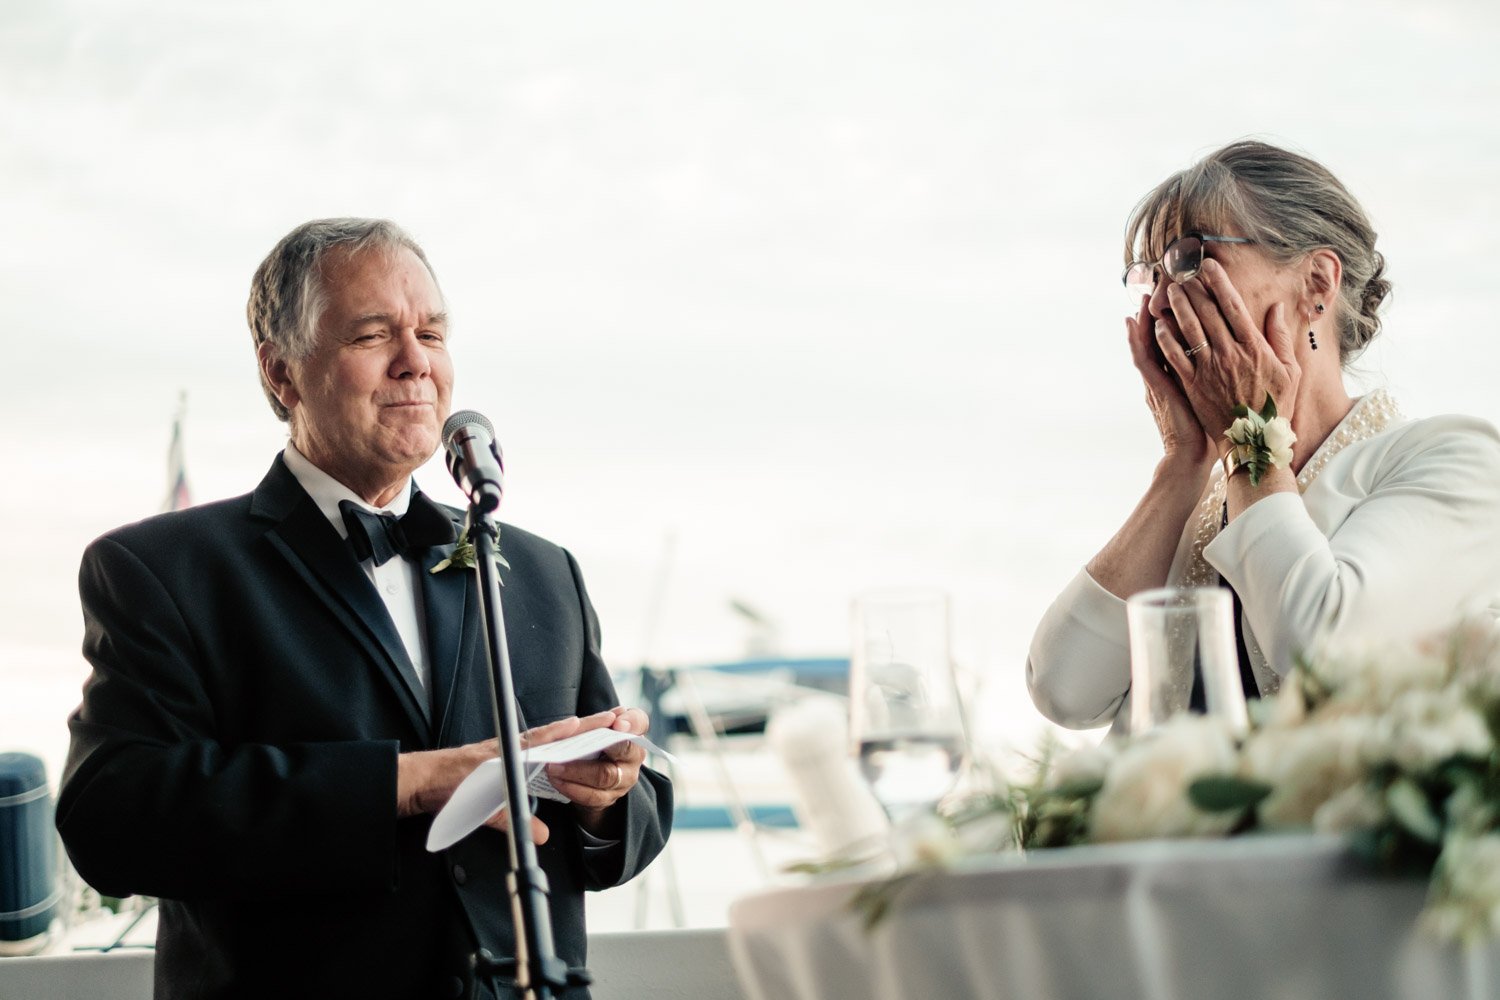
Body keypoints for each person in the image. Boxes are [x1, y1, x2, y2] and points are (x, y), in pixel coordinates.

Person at [56, 219, 672, 999]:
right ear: (282, 372)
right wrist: (412, 782)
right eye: (374, 335)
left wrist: (607, 799)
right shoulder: (159, 570)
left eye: (433, 333)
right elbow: (115, 818)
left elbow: (634, 819)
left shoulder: (544, 570)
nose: (416, 362)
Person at [1027, 140, 1500, 733]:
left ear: (1317, 284)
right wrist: (1181, 465)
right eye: (1147, 277)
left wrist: (1250, 429)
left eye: (1188, 259)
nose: (1159, 302)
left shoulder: (1455, 460)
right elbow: (1063, 691)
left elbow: (1322, 652)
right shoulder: (1201, 506)